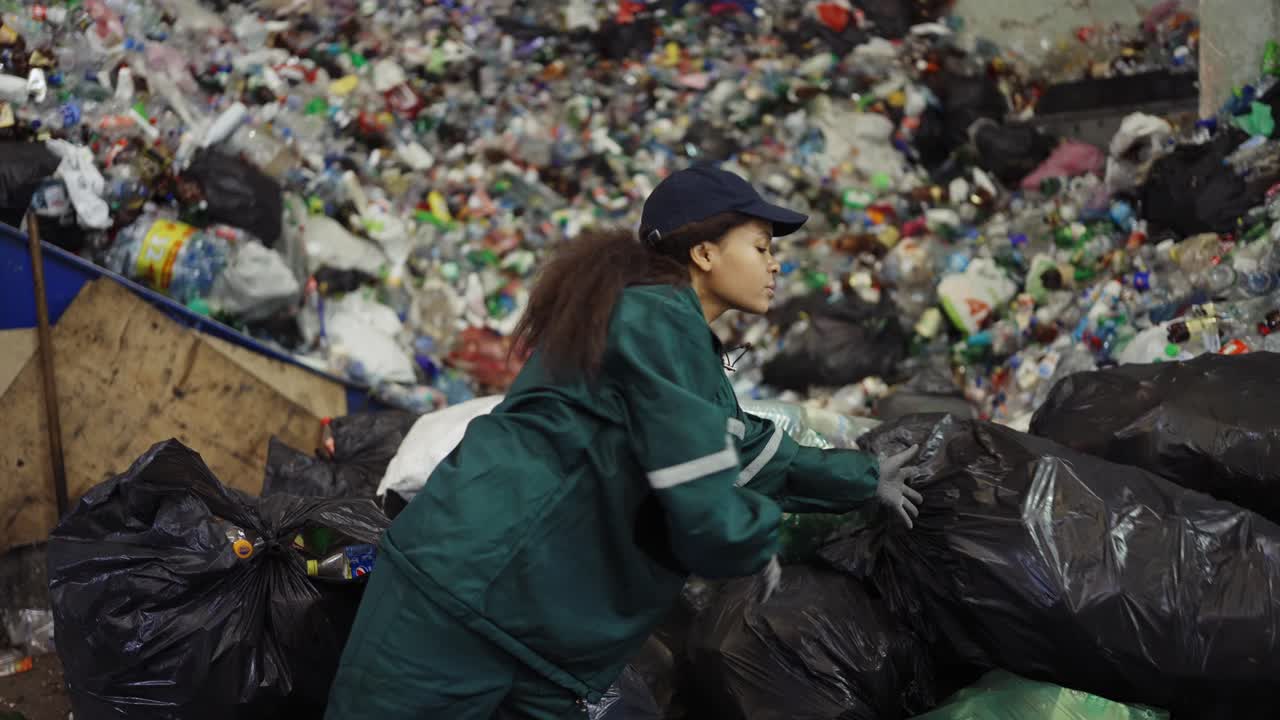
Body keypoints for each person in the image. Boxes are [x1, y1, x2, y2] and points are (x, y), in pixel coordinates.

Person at [325, 166, 923, 720]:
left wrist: (864, 479)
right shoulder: (651, 318)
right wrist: (746, 535)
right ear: (706, 250)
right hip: (462, 603)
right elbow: (698, 474)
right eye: (763, 247)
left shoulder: (674, 338)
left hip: (533, 630)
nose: (775, 266)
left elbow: (740, 447)